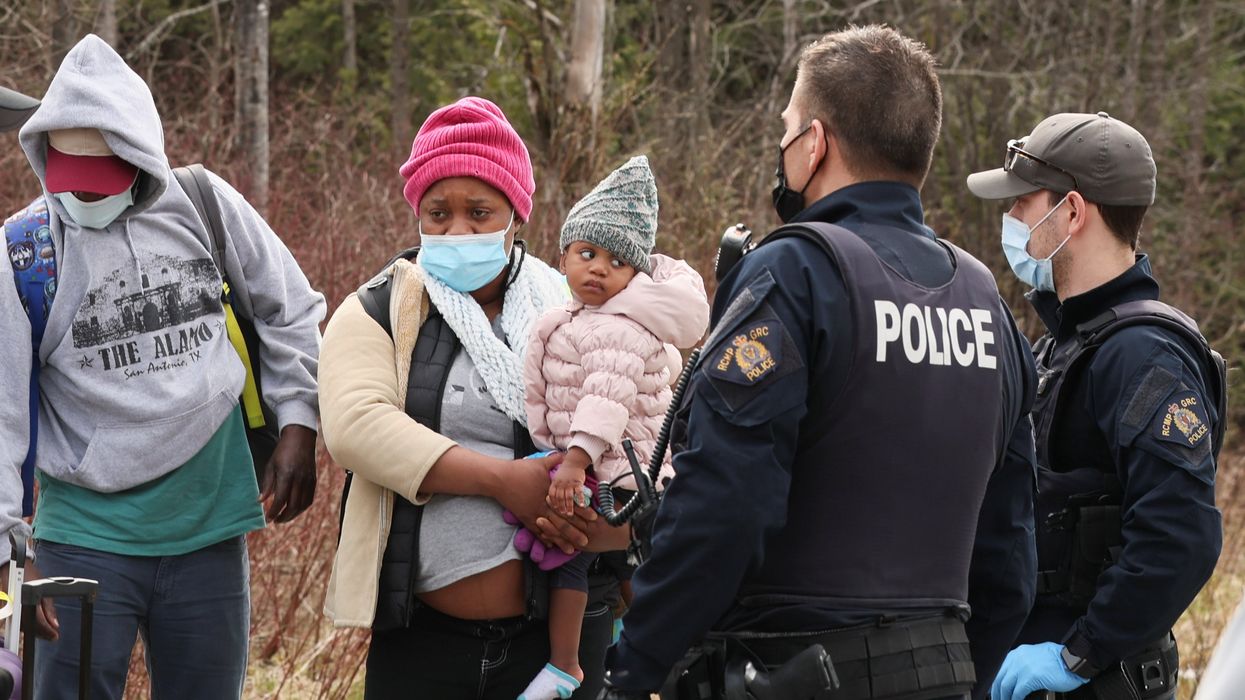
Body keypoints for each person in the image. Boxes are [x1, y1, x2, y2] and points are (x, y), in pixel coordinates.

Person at [594, 25, 1038, 700]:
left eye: (788, 126)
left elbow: (724, 503)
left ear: (815, 142)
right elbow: (1009, 546)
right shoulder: (986, 299)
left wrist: (634, 670)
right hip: (945, 670)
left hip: (790, 668)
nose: (783, 144)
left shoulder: (796, 270)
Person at [0, 35, 324, 699]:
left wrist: (300, 423)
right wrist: (9, 566)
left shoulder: (205, 204)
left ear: (141, 157)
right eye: (72, 184)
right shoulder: (24, 252)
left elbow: (289, 309)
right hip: (83, 541)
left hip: (209, 525)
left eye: (103, 182)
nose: (86, 199)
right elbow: (0, 415)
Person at [320, 96, 629, 700]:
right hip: (422, 643)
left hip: (560, 643)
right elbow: (356, 425)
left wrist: (591, 511)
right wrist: (503, 481)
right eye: (438, 213)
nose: (457, 230)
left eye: (479, 212)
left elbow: (636, 417)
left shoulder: (576, 310)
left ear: (516, 214)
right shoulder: (379, 309)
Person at [969, 113, 1225, 700]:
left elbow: (1180, 536)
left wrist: (1080, 652)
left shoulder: (1143, 357)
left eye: (1022, 204)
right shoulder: (1064, 344)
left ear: (1073, 213)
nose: (1010, 220)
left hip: (1098, 678)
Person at [517, 155, 709, 699]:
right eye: (587, 254)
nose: (598, 269)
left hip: (612, 471)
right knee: (628, 565)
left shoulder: (617, 326)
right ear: (563, 257)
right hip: (613, 468)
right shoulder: (581, 317)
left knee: (570, 559)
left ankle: (565, 664)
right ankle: (661, 652)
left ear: (635, 276)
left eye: (616, 261)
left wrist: (574, 461)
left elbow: (607, 398)